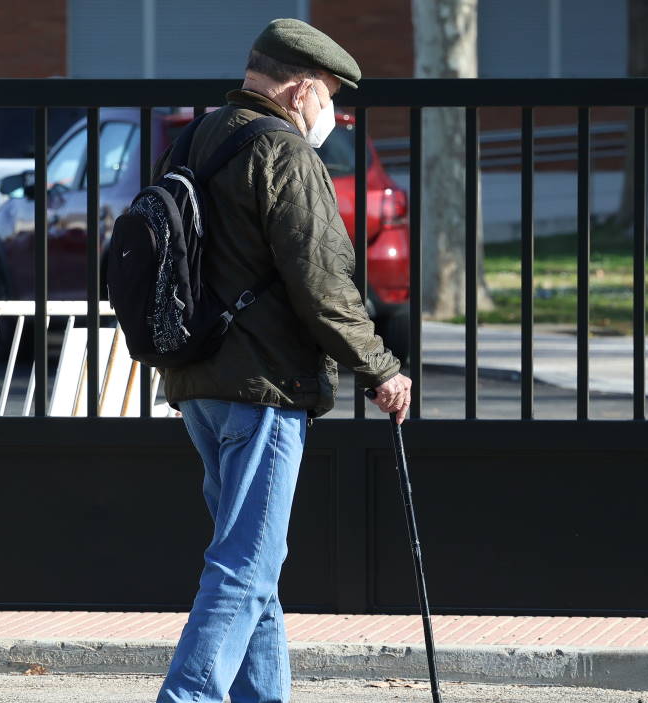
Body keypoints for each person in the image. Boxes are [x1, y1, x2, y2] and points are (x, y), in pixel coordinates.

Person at [153, 18, 412, 703]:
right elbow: (325, 283)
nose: (332, 110)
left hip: (197, 384)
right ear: (301, 90)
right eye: (329, 94)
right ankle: (188, 696)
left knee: (255, 567)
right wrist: (381, 367)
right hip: (263, 389)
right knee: (244, 565)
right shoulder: (287, 155)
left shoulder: (196, 138)